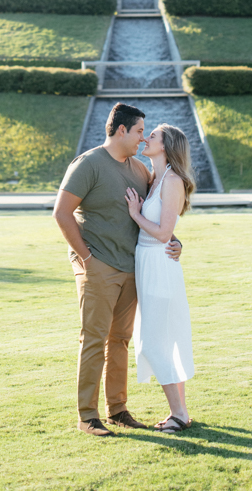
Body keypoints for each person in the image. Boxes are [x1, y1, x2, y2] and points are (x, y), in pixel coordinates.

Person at [53, 102, 183, 437]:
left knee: (120, 340)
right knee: (94, 339)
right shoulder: (88, 163)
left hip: (131, 269)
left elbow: (157, 215)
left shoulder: (139, 170)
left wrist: (175, 240)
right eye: (140, 131)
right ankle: (88, 416)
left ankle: (118, 410)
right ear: (122, 130)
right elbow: (62, 213)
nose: (143, 138)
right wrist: (86, 259)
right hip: (98, 267)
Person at [125, 123, 196, 433]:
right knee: (162, 341)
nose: (145, 138)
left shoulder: (173, 181)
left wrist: (135, 214)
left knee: (153, 343)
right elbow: (168, 230)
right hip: (148, 262)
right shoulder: (155, 179)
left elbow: (164, 232)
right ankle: (180, 412)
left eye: (151, 135)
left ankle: (178, 413)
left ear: (166, 146)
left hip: (159, 266)